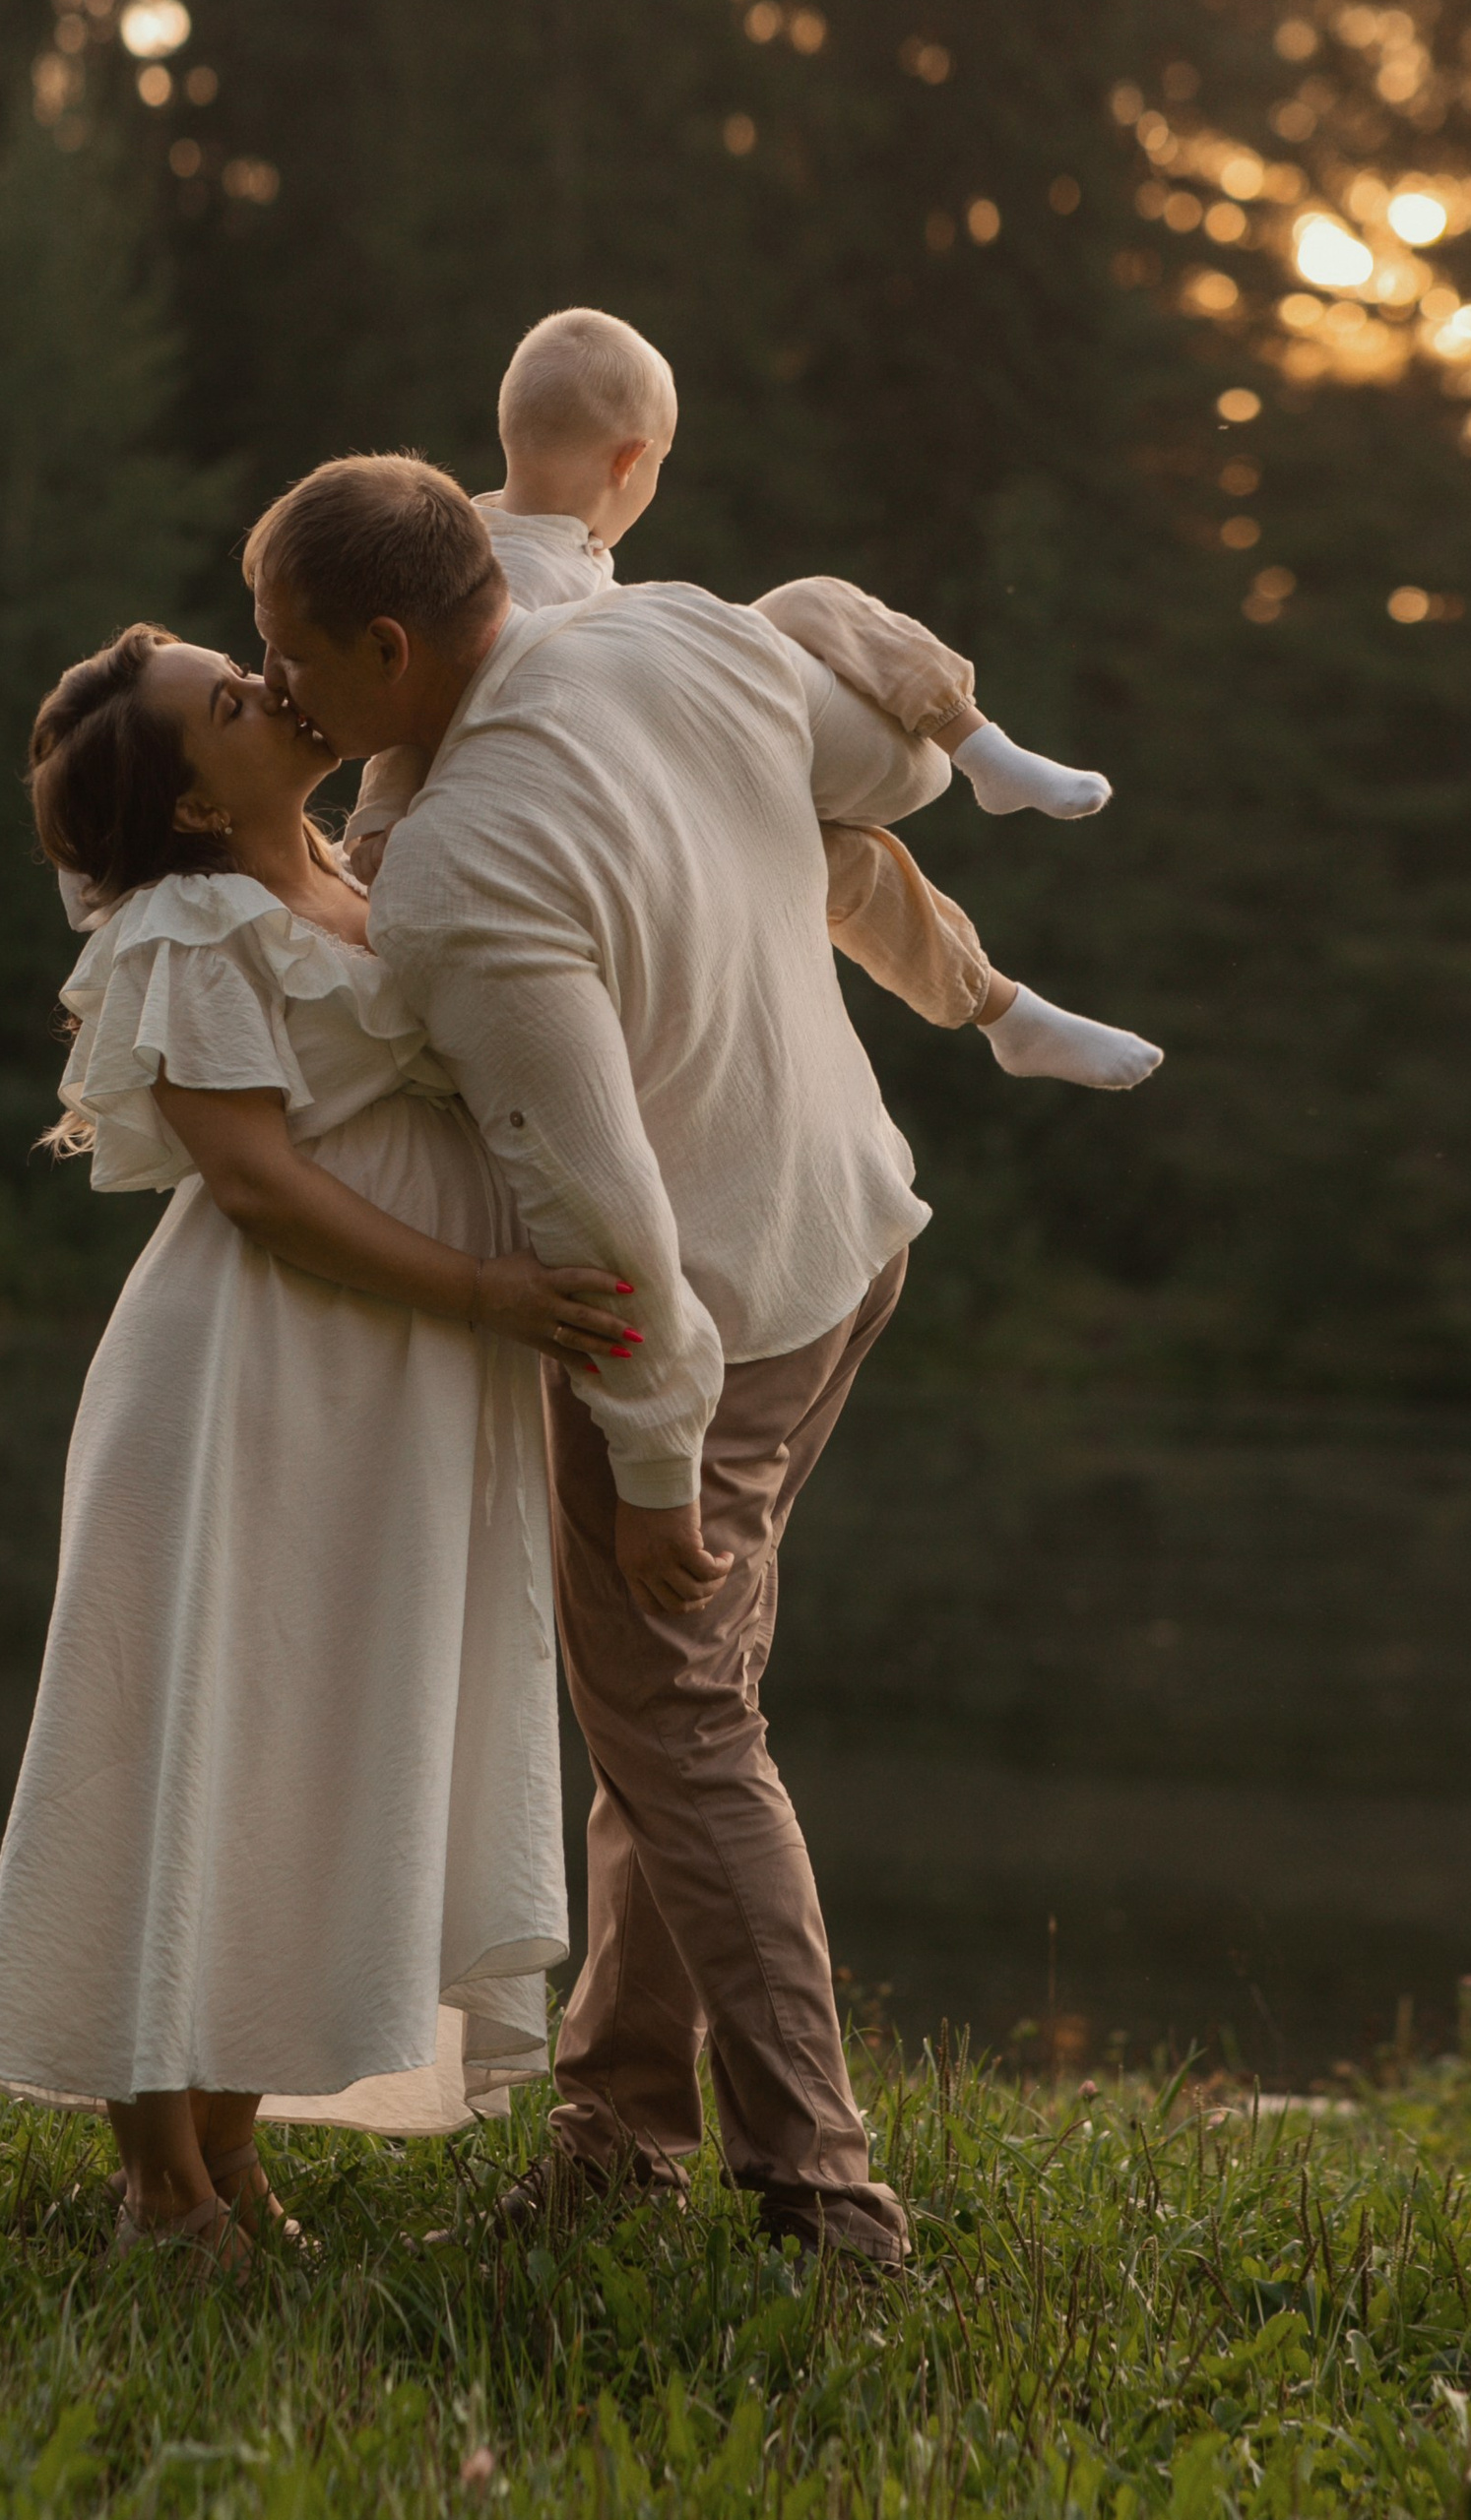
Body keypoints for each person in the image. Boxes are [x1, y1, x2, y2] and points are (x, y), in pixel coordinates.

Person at [250, 453, 988, 2268]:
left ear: (393, 644)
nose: (277, 690)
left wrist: (656, 1466)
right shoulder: (677, 630)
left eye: (293, 654)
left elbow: (601, 1209)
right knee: (675, 1723)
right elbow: (873, 781)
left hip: (709, 1302)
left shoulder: (464, 870)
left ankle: (823, 2200)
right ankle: (620, 2128)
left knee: (681, 1725)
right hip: (847, 1226)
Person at [0, 623, 634, 2267]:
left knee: (322, 1746)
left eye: (245, 663)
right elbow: (253, 1182)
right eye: (229, 702)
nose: (269, 687)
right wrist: (486, 1287)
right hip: (244, 1380)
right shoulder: (190, 927)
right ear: (191, 803)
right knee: (186, 1738)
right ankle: (158, 2186)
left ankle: (234, 2149)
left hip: (391, 1389)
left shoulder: (373, 868)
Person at [346, 306, 1159, 1095]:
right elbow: (418, 714)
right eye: (661, 466)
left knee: (834, 812)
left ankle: (1001, 967)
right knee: (820, 667)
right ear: (630, 460)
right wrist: (378, 829)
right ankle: (983, 827)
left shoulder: (545, 547)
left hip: (667, 747)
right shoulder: (490, 583)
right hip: (638, 801)